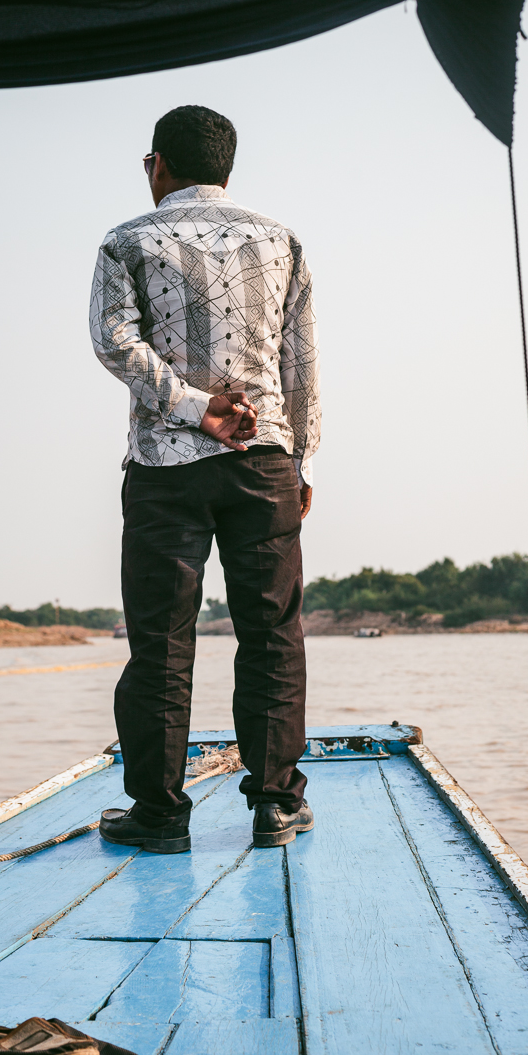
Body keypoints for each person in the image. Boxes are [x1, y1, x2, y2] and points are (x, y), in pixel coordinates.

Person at [89, 105, 320, 854]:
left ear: (157, 165)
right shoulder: (281, 240)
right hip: (264, 464)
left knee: (159, 642)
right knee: (272, 634)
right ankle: (276, 806)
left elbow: (113, 340)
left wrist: (192, 407)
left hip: (165, 466)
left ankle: (158, 816)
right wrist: (303, 459)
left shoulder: (126, 240)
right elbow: (300, 364)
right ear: (227, 168)